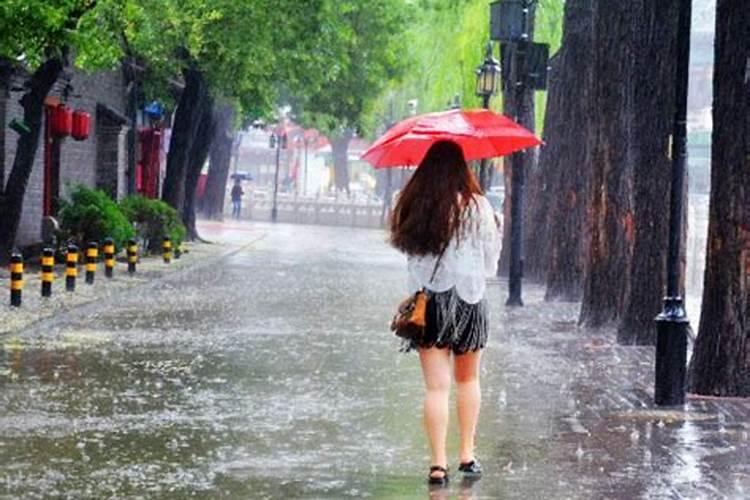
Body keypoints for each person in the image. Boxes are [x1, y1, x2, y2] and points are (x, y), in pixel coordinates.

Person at [389, 140, 501, 486]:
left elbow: (411, 260)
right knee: (468, 380)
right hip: (470, 302)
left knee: (435, 389)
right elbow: (491, 265)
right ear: (461, 168)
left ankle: (438, 465)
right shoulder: (477, 206)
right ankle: (466, 455)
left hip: (431, 305)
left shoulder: (415, 205)